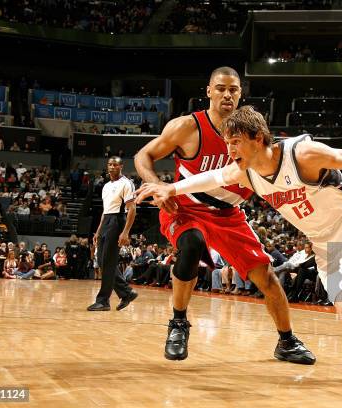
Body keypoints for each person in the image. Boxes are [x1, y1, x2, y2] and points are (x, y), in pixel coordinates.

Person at [136, 105, 342, 385]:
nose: (230, 151)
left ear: (258, 138)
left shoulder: (302, 153)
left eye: (235, 142)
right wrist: (171, 189)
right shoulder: (245, 172)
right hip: (323, 243)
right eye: (227, 143)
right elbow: (210, 178)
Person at [133, 66, 314, 364]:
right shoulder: (187, 127)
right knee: (190, 244)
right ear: (208, 91)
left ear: (240, 93)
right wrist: (155, 183)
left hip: (230, 214)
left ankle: (287, 340)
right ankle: (178, 323)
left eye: (233, 89)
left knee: (267, 278)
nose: (227, 94)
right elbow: (143, 155)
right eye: (220, 88)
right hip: (186, 208)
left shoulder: (251, 132)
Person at [87, 157, 138, 311]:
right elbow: (105, 210)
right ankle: (126, 292)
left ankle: (103, 301)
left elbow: (132, 209)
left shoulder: (126, 183)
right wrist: (98, 230)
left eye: (115, 164)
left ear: (121, 166)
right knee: (102, 261)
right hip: (107, 220)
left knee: (108, 262)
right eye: (110, 164)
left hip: (117, 220)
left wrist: (125, 232)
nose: (112, 167)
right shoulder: (106, 186)